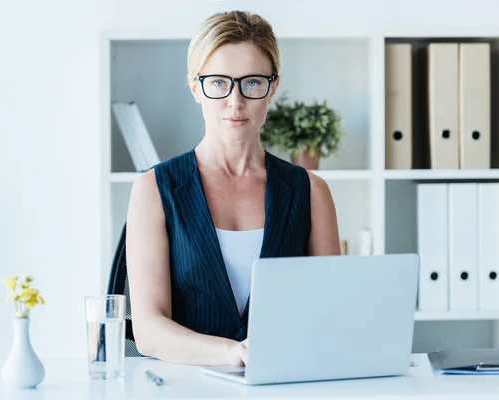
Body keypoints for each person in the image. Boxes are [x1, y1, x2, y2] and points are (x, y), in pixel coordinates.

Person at [125, 10, 341, 367]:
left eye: (252, 82)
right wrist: (232, 353)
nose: (235, 101)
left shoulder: (311, 191)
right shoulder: (154, 189)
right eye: (218, 82)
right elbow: (148, 330)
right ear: (196, 87)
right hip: (187, 389)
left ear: (272, 87)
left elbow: (332, 311)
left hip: (283, 384)